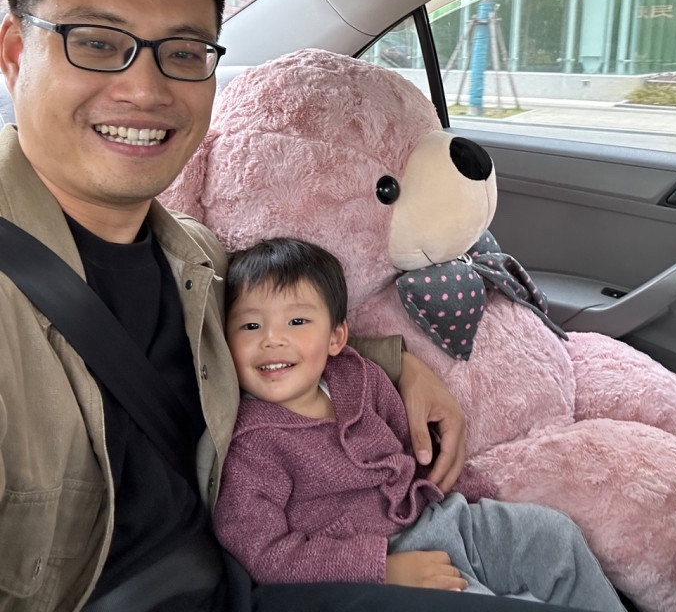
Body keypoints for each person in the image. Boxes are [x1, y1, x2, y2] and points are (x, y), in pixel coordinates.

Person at [0, 0, 492, 611]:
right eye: (98, 43)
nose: (145, 88)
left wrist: (401, 364)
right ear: (16, 54)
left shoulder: (200, 257)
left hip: (243, 578)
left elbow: (280, 317)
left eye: (183, 53)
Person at [214, 237, 627, 612]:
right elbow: (266, 555)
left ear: (336, 338)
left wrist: (462, 490)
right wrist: (381, 569)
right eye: (251, 326)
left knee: (553, 535)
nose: (272, 339)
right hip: (372, 565)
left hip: (439, 517)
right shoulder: (250, 445)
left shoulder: (359, 376)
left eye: (297, 322)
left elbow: (411, 448)